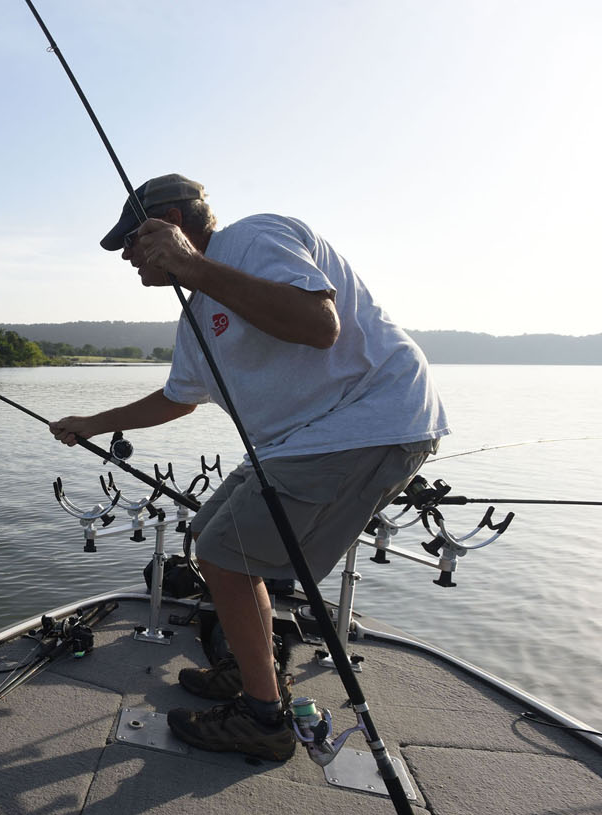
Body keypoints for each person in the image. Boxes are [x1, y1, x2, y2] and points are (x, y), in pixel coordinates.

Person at [50, 174, 449, 761]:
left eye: (133, 240)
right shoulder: (194, 316)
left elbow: (319, 325)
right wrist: (90, 422)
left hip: (367, 421)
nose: (129, 257)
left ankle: (264, 719)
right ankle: (249, 673)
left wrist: (195, 267)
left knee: (225, 558)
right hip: (299, 442)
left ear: (174, 222)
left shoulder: (254, 238)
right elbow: (177, 400)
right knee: (207, 537)